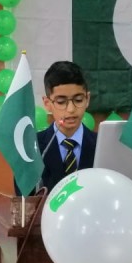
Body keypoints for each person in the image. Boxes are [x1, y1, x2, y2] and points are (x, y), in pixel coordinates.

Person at [36, 61, 96, 192]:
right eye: (61, 102)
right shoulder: (33, 147)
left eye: (78, 100)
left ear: (87, 99)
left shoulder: (101, 146)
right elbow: (24, 198)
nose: (71, 109)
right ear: (47, 103)